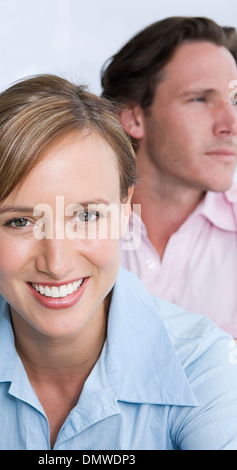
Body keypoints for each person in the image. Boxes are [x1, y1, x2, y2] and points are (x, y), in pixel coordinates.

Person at [0, 74, 237, 451]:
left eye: (87, 216)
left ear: (126, 209)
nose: (57, 263)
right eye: (20, 221)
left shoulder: (203, 363)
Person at [101, 17, 237, 338]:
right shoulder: (71, 227)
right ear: (134, 118)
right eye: (200, 99)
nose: (230, 124)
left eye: (236, 101)